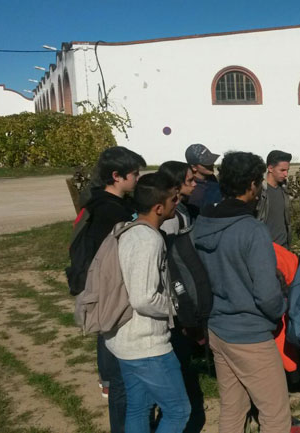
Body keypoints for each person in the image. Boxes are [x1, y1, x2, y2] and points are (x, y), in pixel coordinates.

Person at [194, 151, 291, 433]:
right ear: (252, 185)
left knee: (233, 408)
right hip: (250, 334)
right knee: (275, 413)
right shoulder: (251, 230)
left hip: (218, 328)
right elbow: (267, 295)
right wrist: (280, 308)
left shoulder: (203, 222)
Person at [104, 172, 191, 433]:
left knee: (138, 407)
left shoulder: (127, 229)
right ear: (158, 207)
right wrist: (174, 307)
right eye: (174, 199)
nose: (178, 203)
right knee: (179, 411)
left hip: (124, 340)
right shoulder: (149, 240)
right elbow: (143, 298)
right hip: (147, 346)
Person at [78, 146, 145, 432]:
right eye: (134, 174)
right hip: (111, 289)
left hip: (108, 289)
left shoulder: (101, 203)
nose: (138, 179)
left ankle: (108, 380)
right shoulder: (109, 212)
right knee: (120, 372)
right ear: (117, 176)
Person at [158, 161, 206, 433]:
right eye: (189, 180)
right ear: (176, 186)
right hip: (175, 301)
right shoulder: (172, 220)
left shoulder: (182, 212)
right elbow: (177, 265)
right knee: (179, 357)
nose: (195, 183)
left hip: (178, 301)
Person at [257, 150, 292, 248]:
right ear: (270, 168)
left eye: (287, 170)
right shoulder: (260, 191)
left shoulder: (284, 189)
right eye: (282, 170)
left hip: (284, 247)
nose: (286, 174)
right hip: (266, 248)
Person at [185, 143, 222, 216]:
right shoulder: (193, 190)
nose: (211, 164)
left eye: (211, 160)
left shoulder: (211, 177)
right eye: (206, 163)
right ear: (194, 167)